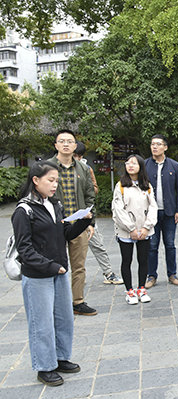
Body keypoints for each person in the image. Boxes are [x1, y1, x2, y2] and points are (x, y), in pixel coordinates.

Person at [12, 161, 93, 385]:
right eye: (50, 180)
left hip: (59, 270)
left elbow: (65, 233)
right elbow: (24, 249)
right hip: (38, 275)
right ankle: (44, 367)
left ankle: (60, 357)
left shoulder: (54, 204)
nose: (55, 184)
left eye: (57, 180)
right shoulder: (24, 210)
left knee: (63, 318)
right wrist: (50, 266)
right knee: (42, 323)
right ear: (35, 180)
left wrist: (83, 222)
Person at [48, 130, 97, 316]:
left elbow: (90, 195)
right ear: (56, 145)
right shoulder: (47, 167)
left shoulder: (83, 169)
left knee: (79, 266)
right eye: (62, 141)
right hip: (54, 224)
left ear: (75, 146)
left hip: (77, 224)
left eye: (70, 141)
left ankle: (78, 302)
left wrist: (90, 222)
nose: (66, 144)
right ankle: (55, 302)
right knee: (54, 265)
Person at [73, 141, 123, 285]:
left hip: (86, 214)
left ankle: (108, 273)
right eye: (74, 155)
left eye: (78, 156)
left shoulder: (86, 169)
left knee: (97, 244)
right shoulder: (58, 169)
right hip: (68, 216)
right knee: (70, 249)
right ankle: (73, 277)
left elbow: (94, 190)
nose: (76, 158)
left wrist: (84, 186)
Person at [112, 155, 158, 304]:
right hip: (126, 231)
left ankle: (141, 288)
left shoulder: (147, 186)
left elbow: (153, 207)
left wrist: (146, 227)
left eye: (134, 163)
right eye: (128, 163)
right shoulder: (120, 186)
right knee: (127, 260)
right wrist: (131, 228)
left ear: (141, 166)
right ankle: (129, 291)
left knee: (143, 260)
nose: (130, 166)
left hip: (144, 230)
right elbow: (118, 210)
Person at [144, 134, 178, 289]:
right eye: (152, 144)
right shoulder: (145, 165)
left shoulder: (174, 165)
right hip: (151, 214)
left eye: (158, 144)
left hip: (169, 212)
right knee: (152, 246)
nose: (155, 147)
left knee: (170, 245)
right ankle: (151, 275)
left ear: (165, 147)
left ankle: (172, 274)